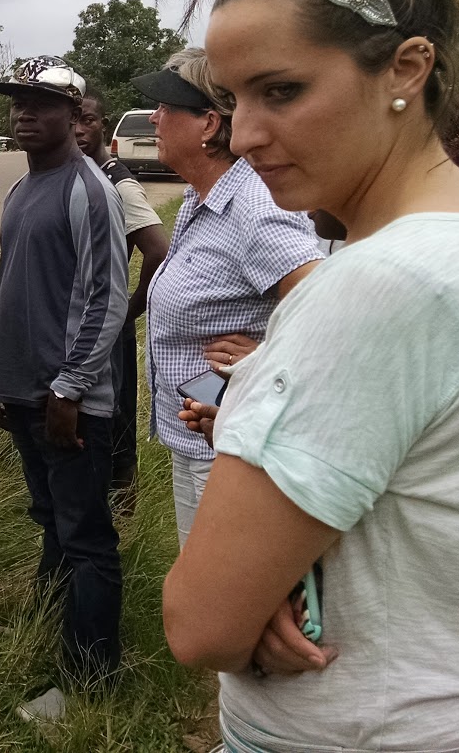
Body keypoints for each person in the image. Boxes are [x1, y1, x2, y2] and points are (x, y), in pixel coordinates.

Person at [162, 0, 459, 750]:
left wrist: (248, 586)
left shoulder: (384, 282)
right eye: (231, 99)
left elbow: (199, 622)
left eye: (283, 90)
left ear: (406, 68)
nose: (248, 134)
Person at [0, 56, 128, 722]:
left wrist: (70, 388)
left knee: (88, 539)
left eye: (41, 104)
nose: (25, 114)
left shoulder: (87, 188)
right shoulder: (22, 190)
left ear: (76, 115)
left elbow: (107, 297)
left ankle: (90, 683)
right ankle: (49, 641)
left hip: (66, 402)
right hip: (21, 393)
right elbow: (13, 288)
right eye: (17, 103)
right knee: (52, 526)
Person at [135, 49, 322, 546]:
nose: (154, 117)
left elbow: (333, 307)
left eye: (165, 107)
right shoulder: (203, 197)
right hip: (201, 441)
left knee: (214, 612)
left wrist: (265, 361)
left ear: (208, 124)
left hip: (229, 451)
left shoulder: (252, 205)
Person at [73, 87, 169, 514]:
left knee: (114, 418)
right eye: (72, 118)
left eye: (88, 120)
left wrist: (129, 311)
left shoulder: (117, 182)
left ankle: (123, 515)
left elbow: (158, 250)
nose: (78, 128)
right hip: (81, 324)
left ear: (103, 126)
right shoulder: (74, 174)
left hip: (106, 324)